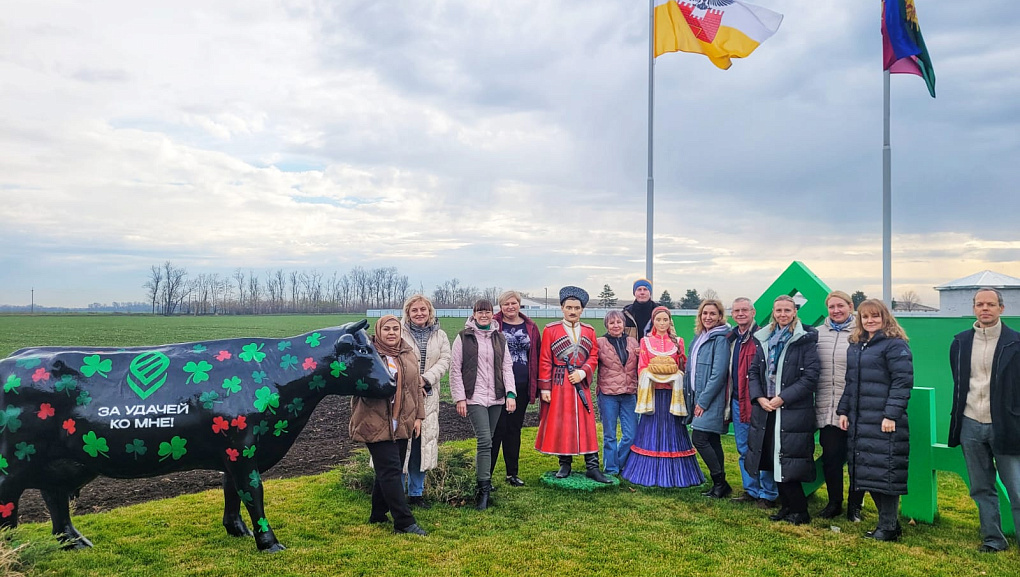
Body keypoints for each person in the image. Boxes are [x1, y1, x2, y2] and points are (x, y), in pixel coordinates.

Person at [948, 287, 1020, 553]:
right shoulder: (960, 342)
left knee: (1017, 489)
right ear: (974, 308)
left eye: (991, 304)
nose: (985, 308)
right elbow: (959, 384)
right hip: (970, 424)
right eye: (980, 304)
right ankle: (993, 539)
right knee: (981, 488)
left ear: (1001, 308)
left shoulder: (1016, 342)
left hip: (1007, 425)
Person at [837, 299, 913, 541]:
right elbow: (851, 383)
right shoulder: (857, 345)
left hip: (884, 421)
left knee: (886, 474)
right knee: (870, 473)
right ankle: (889, 524)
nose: (870, 321)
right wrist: (843, 411)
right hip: (861, 421)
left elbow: (903, 382)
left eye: (875, 316)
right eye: (865, 317)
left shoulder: (895, 345)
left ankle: (888, 527)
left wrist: (891, 414)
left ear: (885, 317)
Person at [746, 295, 820, 525]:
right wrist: (759, 397)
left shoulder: (805, 339)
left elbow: (810, 378)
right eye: (778, 310)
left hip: (791, 410)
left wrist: (782, 399)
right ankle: (786, 507)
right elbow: (754, 372)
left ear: (795, 312)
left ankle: (800, 510)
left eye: (787, 310)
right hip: (766, 408)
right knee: (772, 457)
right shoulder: (765, 338)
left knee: (789, 460)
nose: (782, 314)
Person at [350, 315, 427, 535]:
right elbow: (357, 385)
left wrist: (418, 417)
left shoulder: (408, 354)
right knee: (392, 471)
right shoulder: (367, 354)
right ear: (379, 331)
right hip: (373, 420)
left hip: (401, 422)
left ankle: (377, 513)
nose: (392, 333)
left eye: (395, 328)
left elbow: (416, 389)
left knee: (389, 470)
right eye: (387, 329)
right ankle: (404, 522)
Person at [534, 286, 611, 483]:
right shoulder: (551, 330)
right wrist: (545, 388)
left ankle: (592, 466)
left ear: (582, 310)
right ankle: (565, 464)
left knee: (587, 423)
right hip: (559, 382)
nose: (573, 311)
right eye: (569, 307)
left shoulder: (589, 331)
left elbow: (593, 356)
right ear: (562, 308)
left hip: (580, 383)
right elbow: (544, 360)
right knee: (562, 423)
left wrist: (583, 372)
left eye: (577, 308)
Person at [622, 306, 704, 488]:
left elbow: (681, 367)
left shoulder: (678, 342)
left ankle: (677, 473)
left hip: (671, 396)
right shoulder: (645, 342)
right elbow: (642, 367)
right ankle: (646, 471)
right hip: (653, 395)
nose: (661, 323)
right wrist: (652, 375)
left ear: (669, 322)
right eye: (658, 320)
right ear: (653, 321)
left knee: (672, 430)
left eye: (665, 320)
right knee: (650, 429)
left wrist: (674, 376)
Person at [449, 299, 517, 510]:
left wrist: (510, 394)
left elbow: (507, 367)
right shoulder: (463, 337)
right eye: (480, 312)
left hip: (496, 397)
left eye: (487, 311)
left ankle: (483, 481)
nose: (484, 315)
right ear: (474, 314)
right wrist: (460, 397)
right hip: (474, 396)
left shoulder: (499, 338)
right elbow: (455, 369)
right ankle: (483, 489)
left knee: (489, 440)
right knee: (484, 439)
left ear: (492, 314)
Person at [815, 291, 866, 522]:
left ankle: (855, 506)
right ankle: (834, 502)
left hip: (857, 406)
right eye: (832, 307)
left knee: (858, 459)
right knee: (831, 457)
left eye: (840, 306)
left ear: (850, 306)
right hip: (827, 406)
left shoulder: (862, 332)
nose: (836, 310)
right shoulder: (818, 334)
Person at [399, 294, 452, 509]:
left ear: (429, 312)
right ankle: (395, 491)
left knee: (422, 444)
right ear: (408, 313)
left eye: (423, 309)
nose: (419, 313)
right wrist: (411, 381)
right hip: (402, 395)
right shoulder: (399, 332)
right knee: (401, 443)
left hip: (428, 395)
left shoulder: (440, 335)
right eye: (414, 310)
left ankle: (416, 493)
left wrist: (425, 379)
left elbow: (445, 360)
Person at [727, 298, 779, 508]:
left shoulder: (764, 337)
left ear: (753, 312)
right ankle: (751, 489)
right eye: (737, 310)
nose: (741, 314)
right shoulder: (732, 338)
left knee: (763, 448)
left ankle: (768, 494)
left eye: (744, 310)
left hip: (759, 402)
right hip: (738, 401)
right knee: (743, 448)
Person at [491, 290, 541, 487]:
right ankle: (487, 475)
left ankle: (512, 473)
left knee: (514, 430)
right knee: (497, 430)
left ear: (519, 304)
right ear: (500, 307)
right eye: (505, 304)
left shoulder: (530, 326)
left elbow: (537, 354)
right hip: (498, 386)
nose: (510, 307)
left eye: (513, 303)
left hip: (522, 384)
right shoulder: (494, 324)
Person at [686, 299, 733, 498]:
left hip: (711, 397)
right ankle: (721, 485)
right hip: (699, 394)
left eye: (713, 314)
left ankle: (720, 481)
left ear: (720, 316)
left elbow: (719, 373)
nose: (708, 317)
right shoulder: (701, 337)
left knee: (700, 437)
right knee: (712, 439)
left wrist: (703, 402)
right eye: (705, 313)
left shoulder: (720, 338)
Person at [595, 310, 640, 476]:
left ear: (624, 324)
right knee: (610, 435)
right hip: (608, 395)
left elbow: (641, 363)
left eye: (619, 322)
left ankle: (619, 462)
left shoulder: (633, 342)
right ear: (606, 325)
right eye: (612, 322)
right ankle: (611, 470)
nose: (616, 325)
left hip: (629, 394)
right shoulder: (599, 342)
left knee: (631, 434)